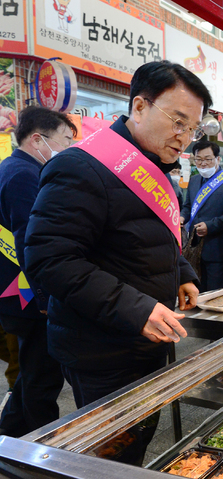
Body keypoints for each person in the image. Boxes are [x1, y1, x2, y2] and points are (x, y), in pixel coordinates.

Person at [24, 61, 209, 463]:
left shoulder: (156, 168)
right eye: (178, 121)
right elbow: (49, 258)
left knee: (140, 435)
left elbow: (151, 237)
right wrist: (137, 307)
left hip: (145, 338)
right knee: (113, 456)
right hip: (100, 348)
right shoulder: (81, 166)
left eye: (192, 129)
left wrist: (182, 273)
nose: (185, 138)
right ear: (139, 106)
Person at [0, 106, 75, 437]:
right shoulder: (23, 175)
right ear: (37, 139)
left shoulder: (12, 168)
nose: (68, 148)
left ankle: (10, 437)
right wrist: (45, 295)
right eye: (65, 140)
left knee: (31, 373)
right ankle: (41, 449)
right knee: (41, 376)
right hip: (27, 295)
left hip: (17, 292)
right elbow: (29, 240)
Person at [180, 140, 223, 292]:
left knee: (215, 292)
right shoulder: (194, 180)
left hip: (218, 247)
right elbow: (188, 206)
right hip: (193, 245)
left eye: (208, 159)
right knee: (197, 291)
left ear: (218, 159)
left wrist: (210, 226)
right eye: (198, 159)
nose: (203, 163)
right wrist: (182, 217)